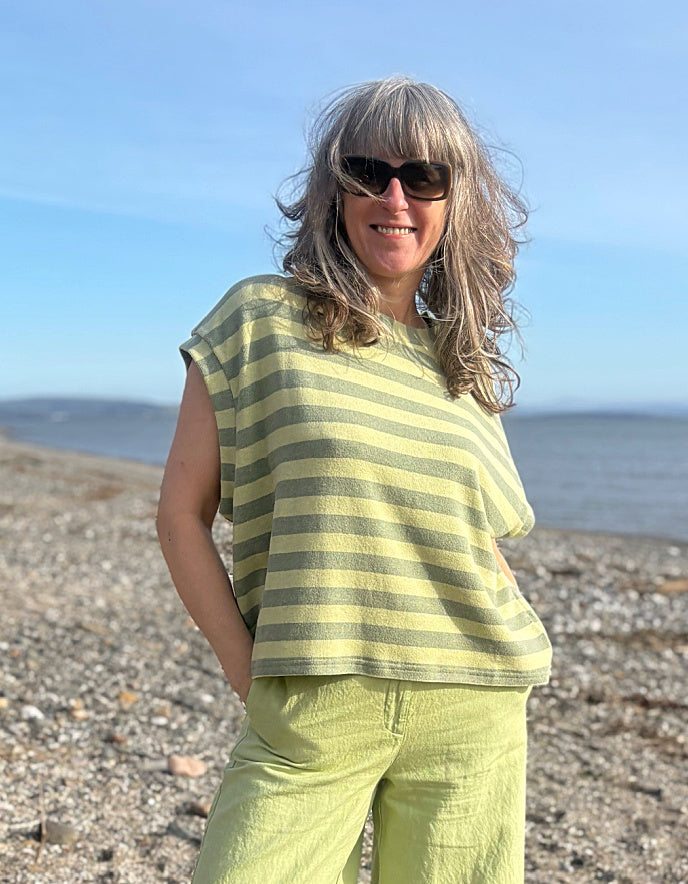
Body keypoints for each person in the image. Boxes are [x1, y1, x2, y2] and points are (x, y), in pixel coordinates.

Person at [157, 76, 552, 884]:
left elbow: (480, 543)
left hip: (472, 707)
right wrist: (248, 669)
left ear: (456, 200)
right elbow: (180, 516)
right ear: (335, 191)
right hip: (312, 706)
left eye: (425, 177)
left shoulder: (462, 369)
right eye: (369, 172)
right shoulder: (260, 318)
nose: (395, 196)